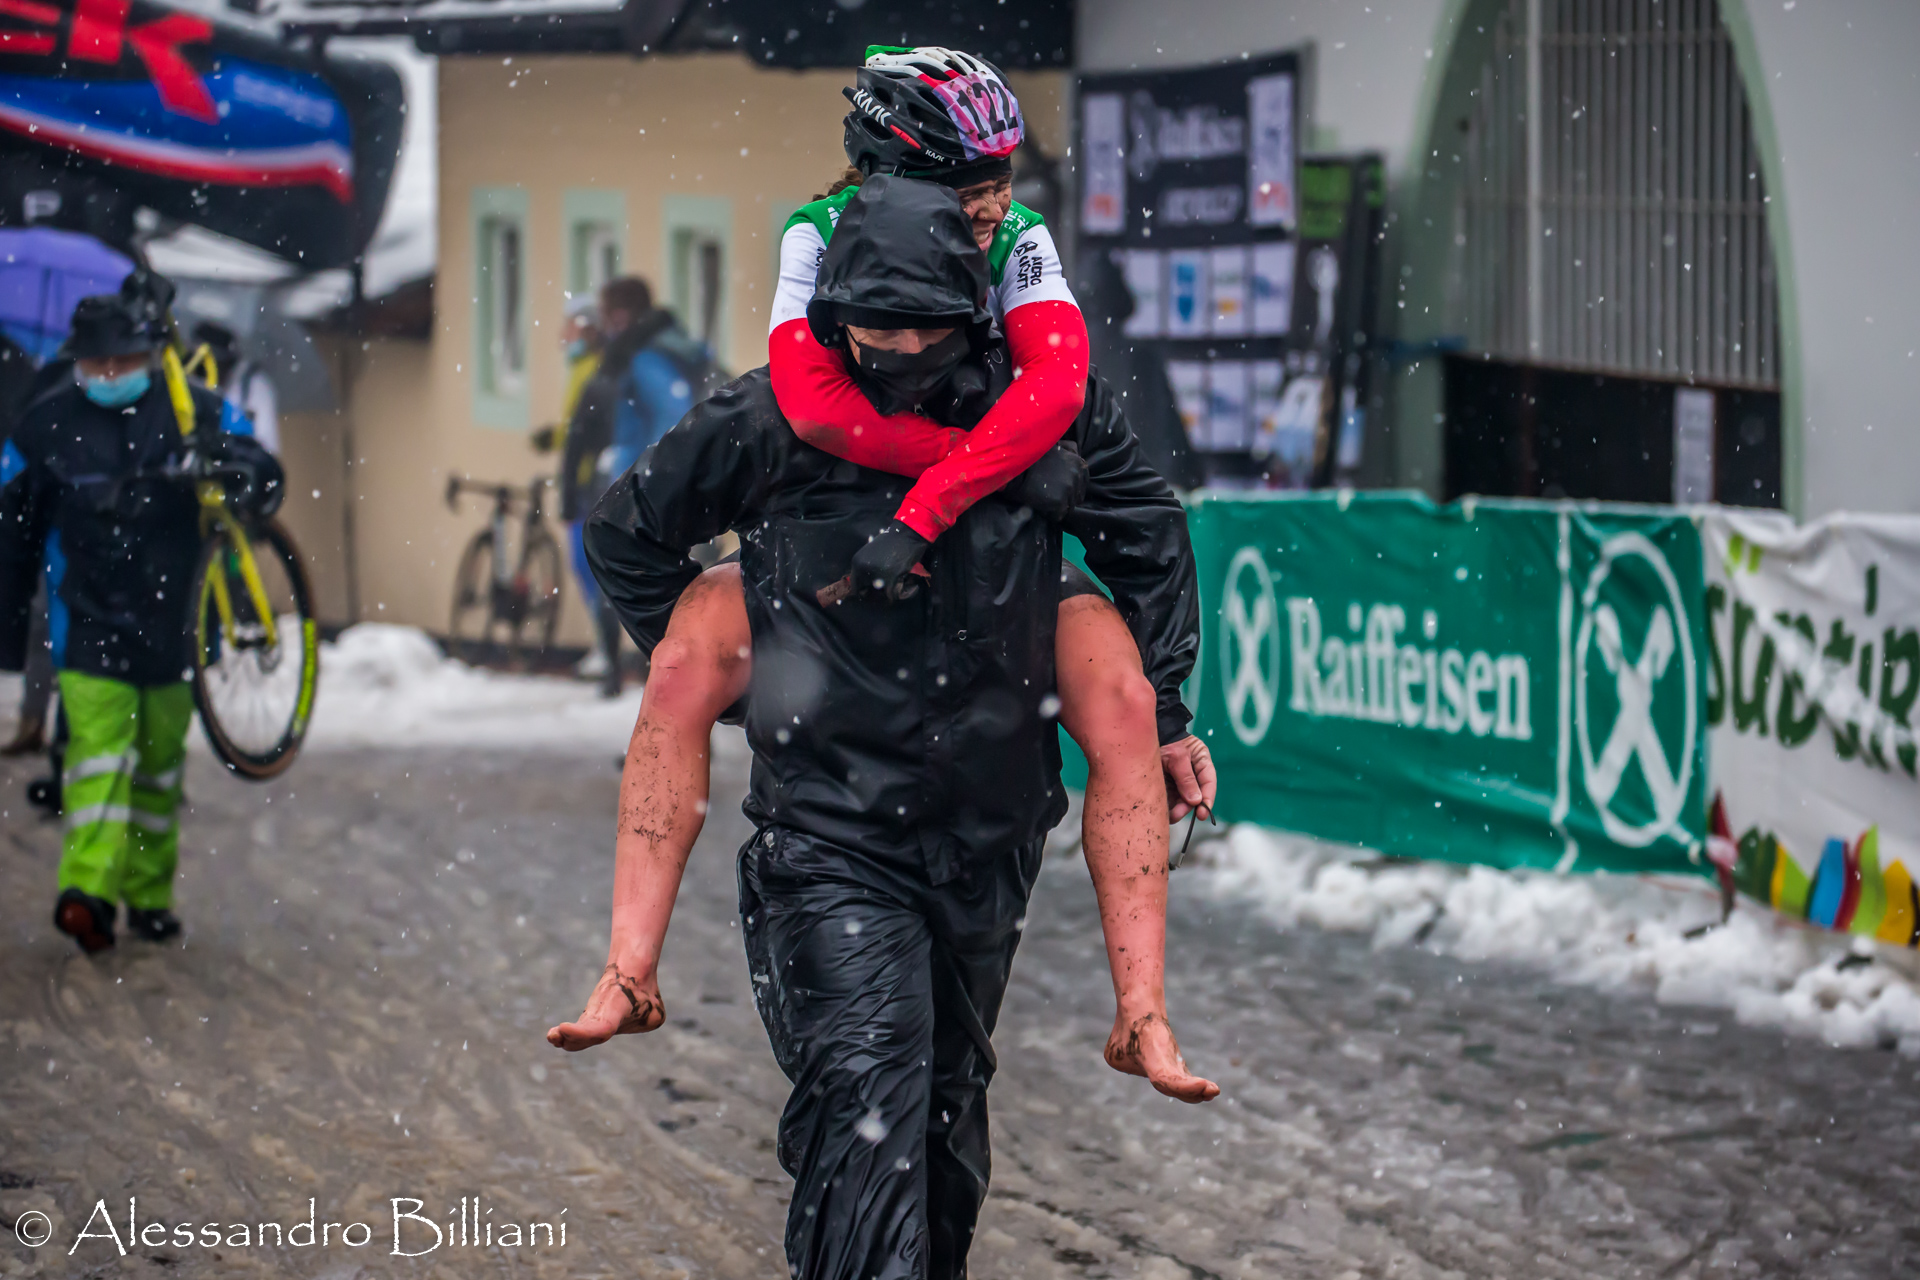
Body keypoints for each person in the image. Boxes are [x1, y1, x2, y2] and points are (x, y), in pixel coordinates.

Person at [553, 176, 1217, 1280]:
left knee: (944, 1133)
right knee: (866, 1103)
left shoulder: (1041, 410)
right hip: (826, 835)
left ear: (970, 309)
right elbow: (626, 536)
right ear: (829, 311)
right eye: (868, 320)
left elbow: (1148, 534)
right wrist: (736, 646)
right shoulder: (770, 418)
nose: (892, 343)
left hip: (989, 836)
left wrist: (1170, 707)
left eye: (918, 322)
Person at [576, 45, 1215, 968]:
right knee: (693, 647)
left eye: (1003, 177)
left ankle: (1143, 1009)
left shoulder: (1019, 234)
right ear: (885, 182)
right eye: (969, 187)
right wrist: (755, 672)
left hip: (978, 766)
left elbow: (1062, 396)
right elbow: (813, 411)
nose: (996, 204)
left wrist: (1166, 711)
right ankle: (627, 967)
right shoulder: (814, 235)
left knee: (1113, 679)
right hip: (844, 702)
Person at [0, 272, 283, 952]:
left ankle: (149, 896)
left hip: (177, 624)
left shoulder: (197, 410)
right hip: (87, 619)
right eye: (96, 363)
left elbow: (262, 470)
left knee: (158, 767)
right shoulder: (46, 424)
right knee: (98, 758)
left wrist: (241, 473)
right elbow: (12, 521)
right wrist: (10, 620)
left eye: (122, 361)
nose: (109, 373)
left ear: (149, 356)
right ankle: (88, 894)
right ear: (77, 361)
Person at [565, 276, 716, 695]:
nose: (607, 325)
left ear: (624, 314)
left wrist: (645, 477)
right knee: (677, 601)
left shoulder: (645, 357)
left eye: (611, 314)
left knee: (651, 597)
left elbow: (675, 418)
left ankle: (667, 711)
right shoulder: (671, 346)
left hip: (656, 494)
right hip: (681, 493)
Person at [533, 295, 611, 681]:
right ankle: (604, 646)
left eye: (571, 326)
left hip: (587, 481)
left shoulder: (593, 368)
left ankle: (606, 649)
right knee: (585, 565)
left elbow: (588, 427)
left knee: (588, 564)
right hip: (584, 476)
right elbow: (576, 424)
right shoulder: (582, 366)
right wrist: (554, 438)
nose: (565, 335)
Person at [190, 321, 280, 456]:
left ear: (229, 361)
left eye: (216, 363)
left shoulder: (255, 386)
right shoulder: (191, 380)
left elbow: (268, 449)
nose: (211, 371)